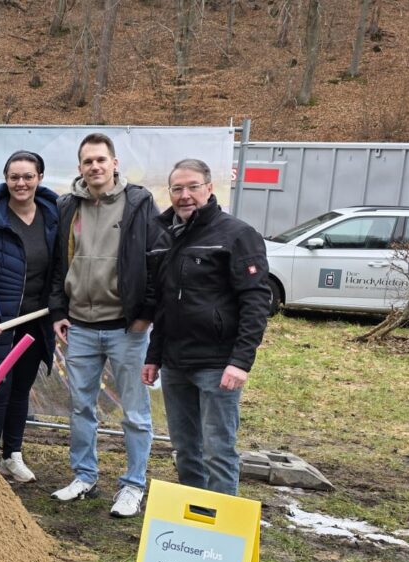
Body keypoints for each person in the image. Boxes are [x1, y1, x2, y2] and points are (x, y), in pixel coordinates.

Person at [141, 159, 272, 496]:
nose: (185, 195)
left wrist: (241, 362)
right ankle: (195, 520)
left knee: (218, 451)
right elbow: (162, 303)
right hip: (175, 363)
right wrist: (154, 356)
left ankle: (222, 527)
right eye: (177, 189)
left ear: (209, 188)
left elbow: (256, 302)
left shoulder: (238, 234)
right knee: (185, 450)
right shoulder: (162, 234)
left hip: (217, 364)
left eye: (193, 187)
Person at [48, 132, 162, 517]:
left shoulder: (138, 203)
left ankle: (133, 485)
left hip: (125, 328)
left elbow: (155, 259)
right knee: (81, 406)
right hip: (80, 325)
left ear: (114, 163)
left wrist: (145, 314)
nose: (94, 167)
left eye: (101, 160)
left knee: (134, 411)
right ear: (79, 168)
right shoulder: (68, 206)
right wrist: (58, 310)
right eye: (87, 161)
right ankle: (84, 475)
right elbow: (59, 264)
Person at [0, 151, 59, 482]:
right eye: (15, 176)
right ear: (6, 179)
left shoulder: (53, 216)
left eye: (28, 176)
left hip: (35, 323)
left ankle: (12, 456)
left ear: (39, 178)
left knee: (21, 390)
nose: (21, 183)